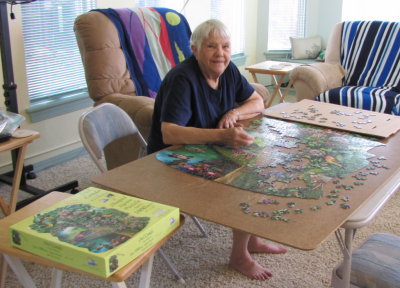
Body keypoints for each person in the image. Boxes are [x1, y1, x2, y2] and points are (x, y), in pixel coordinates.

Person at [147, 19, 287, 280]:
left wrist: (235, 111)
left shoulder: (228, 70)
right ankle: (239, 256)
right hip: (169, 159)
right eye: (211, 46)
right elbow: (169, 132)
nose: (220, 53)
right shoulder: (183, 79)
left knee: (259, 162)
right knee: (244, 179)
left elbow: (257, 101)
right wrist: (222, 135)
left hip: (205, 149)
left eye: (225, 46)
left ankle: (252, 239)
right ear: (195, 49)